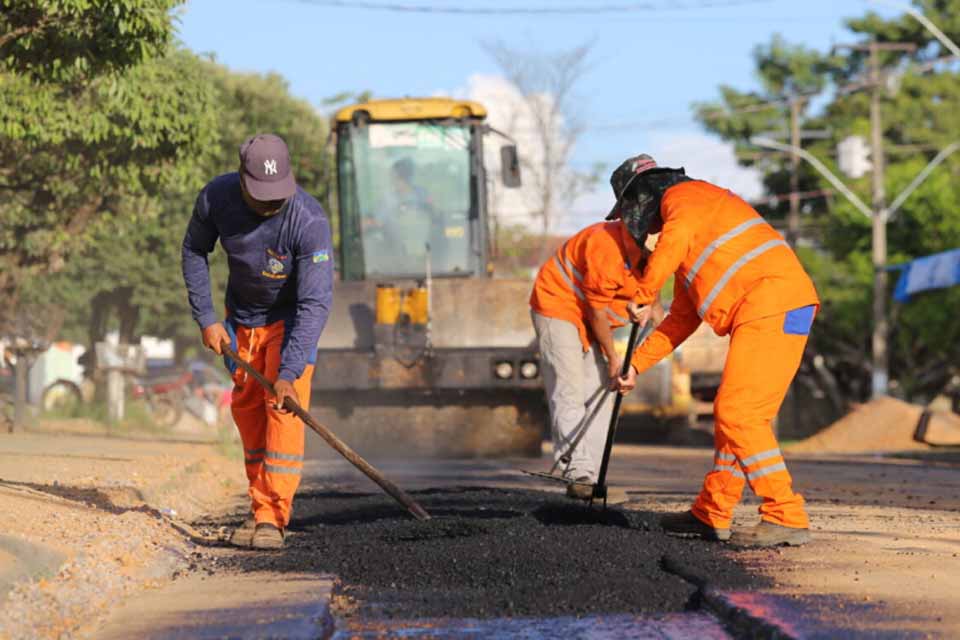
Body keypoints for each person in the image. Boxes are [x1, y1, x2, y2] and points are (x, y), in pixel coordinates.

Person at [607, 154, 818, 547]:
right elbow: (680, 321)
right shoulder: (695, 243)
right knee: (735, 418)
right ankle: (712, 512)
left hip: (774, 303)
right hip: (770, 306)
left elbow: (674, 240)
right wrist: (635, 364)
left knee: (738, 413)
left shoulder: (687, 199)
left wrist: (643, 290)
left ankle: (785, 514)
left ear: (644, 194)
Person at [181, 133, 334, 550]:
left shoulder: (309, 221)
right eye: (261, 196)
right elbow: (195, 250)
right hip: (240, 323)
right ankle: (258, 507)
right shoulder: (216, 197)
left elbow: (315, 302)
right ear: (242, 180)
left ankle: (272, 517)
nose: (270, 204)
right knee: (249, 411)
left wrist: (289, 371)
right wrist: (207, 319)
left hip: (290, 323)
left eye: (276, 196)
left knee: (283, 412)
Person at [529, 158, 664, 501]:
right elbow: (596, 312)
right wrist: (614, 356)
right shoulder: (606, 246)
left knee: (607, 387)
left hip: (593, 316)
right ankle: (579, 472)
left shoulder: (659, 247)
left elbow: (656, 302)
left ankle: (593, 472)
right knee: (569, 385)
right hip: (559, 306)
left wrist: (636, 359)